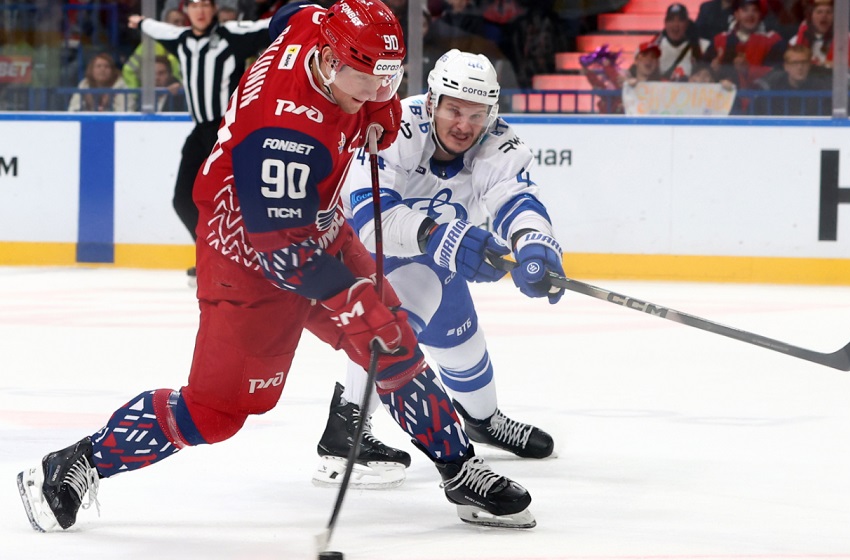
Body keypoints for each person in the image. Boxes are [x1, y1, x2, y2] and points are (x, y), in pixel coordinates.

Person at [16, 0, 535, 533]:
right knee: (215, 413)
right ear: (331, 62)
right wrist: (353, 302)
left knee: (393, 343)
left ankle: (459, 469)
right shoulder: (284, 134)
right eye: (368, 82)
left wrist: (376, 104)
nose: (379, 92)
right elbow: (284, 253)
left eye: (390, 79)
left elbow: (289, 13)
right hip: (247, 255)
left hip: (315, 227)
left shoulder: (316, 28)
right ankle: (76, 463)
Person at [313, 49, 563, 489]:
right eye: (454, 110)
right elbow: (371, 220)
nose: (464, 125)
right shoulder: (392, 126)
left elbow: (516, 198)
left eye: (476, 114)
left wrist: (534, 243)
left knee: (464, 346)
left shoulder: (498, 141)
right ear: (432, 102)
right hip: (367, 254)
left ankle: (482, 422)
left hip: (438, 260)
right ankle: (344, 431)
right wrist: (442, 237)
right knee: (393, 325)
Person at [128, 0, 271, 287]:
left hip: (230, 132)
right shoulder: (181, 40)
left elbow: (268, 26)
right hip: (200, 133)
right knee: (183, 199)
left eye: (206, 4)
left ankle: (254, 259)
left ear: (214, 8)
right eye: (194, 5)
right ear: (186, 11)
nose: (200, 10)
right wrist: (141, 22)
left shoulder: (231, 35)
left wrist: (308, 13)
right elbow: (161, 30)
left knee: (240, 200)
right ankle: (212, 256)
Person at [712, 0, 785, 91]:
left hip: (760, 97)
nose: (750, 15)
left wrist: (748, 70)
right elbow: (703, 71)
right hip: (725, 96)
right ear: (736, 14)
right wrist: (713, 70)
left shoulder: (773, 40)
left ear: (760, 15)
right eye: (745, 10)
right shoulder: (720, 40)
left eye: (755, 10)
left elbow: (777, 74)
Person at [752, 43, 831, 115]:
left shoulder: (822, 88)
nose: (800, 67)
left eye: (804, 62)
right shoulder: (771, 88)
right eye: (794, 63)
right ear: (786, 66)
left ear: (810, 65)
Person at [788, 0, 850, 73]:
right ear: (811, 16)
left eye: (829, 12)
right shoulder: (795, 42)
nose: (824, 16)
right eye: (819, 12)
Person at [654, 3, 714, 81]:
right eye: (671, 20)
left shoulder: (705, 47)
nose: (675, 25)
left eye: (680, 20)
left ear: (687, 24)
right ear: (665, 23)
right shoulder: (655, 48)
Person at [67, 52, 135, 112]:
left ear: (112, 71)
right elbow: (73, 109)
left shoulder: (120, 86)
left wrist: (111, 103)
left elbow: (126, 112)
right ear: (91, 70)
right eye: (98, 66)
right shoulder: (84, 84)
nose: (102, 69)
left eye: (107, 66)